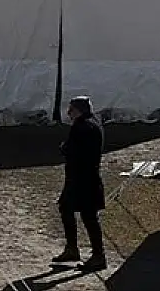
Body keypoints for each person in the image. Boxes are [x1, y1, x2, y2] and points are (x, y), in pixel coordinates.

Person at [52, 96, 107, 271]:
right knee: (68, 208)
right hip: (87, 177)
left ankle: (98, 255)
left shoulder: (81, 127)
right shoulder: (94, 123)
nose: (68, 113)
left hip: (81, 178)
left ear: (79, 110)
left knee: (88, 217)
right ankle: (73, 249)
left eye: (71, 109)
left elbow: (70, 150)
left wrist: (64, 148)